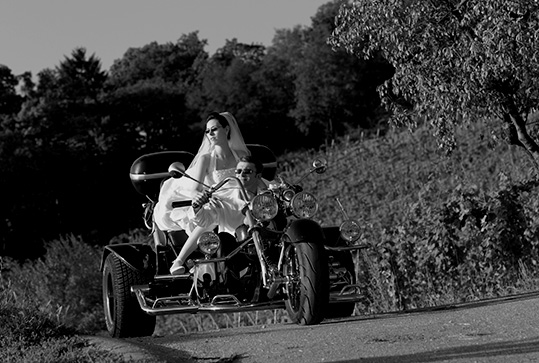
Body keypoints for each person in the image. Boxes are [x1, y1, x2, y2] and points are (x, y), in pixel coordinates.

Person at [152, 111, 250, 274]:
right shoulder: (206, 158)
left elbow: (250, 177)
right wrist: (204, 197)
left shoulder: (241, 155)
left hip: (240, 195)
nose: (210, 134)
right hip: (216, 198)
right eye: (207, 131)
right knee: (212, 214)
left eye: (214, 129)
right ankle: (179, 261)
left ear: (226, 130)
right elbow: (195, 188)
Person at [169, 155, 268, 275]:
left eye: (247, 172)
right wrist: (197, 206)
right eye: (238, 171)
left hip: (265, 247)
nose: (241, 175)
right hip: (235, 252)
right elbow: (204, 221)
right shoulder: (225, 198)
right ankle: (179, 260)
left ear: (258, 176)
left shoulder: (267, 197)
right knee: (224, 238)